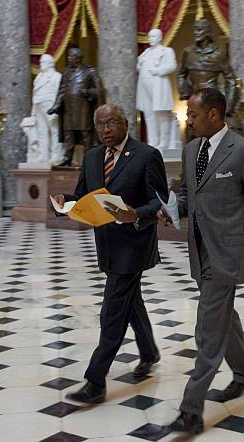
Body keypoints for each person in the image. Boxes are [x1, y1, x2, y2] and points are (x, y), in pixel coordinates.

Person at [159, 88, 244, 434]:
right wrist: (172, 209)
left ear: (215, 115)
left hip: (228, 253)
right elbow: (189, 196)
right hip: (200, 250)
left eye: (193, 114)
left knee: (207, 328)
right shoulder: (191, 151)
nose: (188, 120)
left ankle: (191, 410)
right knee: (224, 317)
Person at [52, 104, 168, 404]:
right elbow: (83, 195)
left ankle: (95, 381)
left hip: (134, 244)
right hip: (106, 244)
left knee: (112, 311)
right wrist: (66, 201)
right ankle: (149, 351)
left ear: (125, 124)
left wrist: (136, 214)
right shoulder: (92, 157)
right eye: (100, 124)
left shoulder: (146, 155)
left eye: (111, 123)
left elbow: (161, 201)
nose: (105, 129)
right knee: (131, 301)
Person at [48, 48, 106, 167]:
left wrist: (88, 92)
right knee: (69, 133)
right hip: (69, 109)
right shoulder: (66, 72)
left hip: (83, 109)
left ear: (78, 58)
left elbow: (100, 90)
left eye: (71, 57)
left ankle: (88, 158)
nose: (68, 59)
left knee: (85, 134)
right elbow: (62, 90)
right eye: (68, 57)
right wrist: (56, 106)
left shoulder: (90, 71)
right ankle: (67, 158)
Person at [177, 19, 237, 116]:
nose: (195, 33)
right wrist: (184, 92)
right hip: (194, 98)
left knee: (212, 128)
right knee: (194, 128)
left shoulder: (218, 54)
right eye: (194, 30)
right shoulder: (188, 52)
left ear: (208, 32)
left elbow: (231, 80)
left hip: (212, 99)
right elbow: (181, 74)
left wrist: (229, 106)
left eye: (199, 30)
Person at [137, 28, 177, 152]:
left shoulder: (167, 51)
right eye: (149, 37)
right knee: (149, 115)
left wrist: (158, 71)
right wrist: (139, 65)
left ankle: (163, 143)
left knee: (161, 114)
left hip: (159, 85)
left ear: (160, 38)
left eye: (153, 37)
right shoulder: (146, 52)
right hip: (144, 87)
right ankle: (153, 142)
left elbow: (172, 66)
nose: (151, 39)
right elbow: (138, 65)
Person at [31, 54, 63, 164]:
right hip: (38, 105)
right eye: (40, 62)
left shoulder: (56, 76)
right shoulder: (38, 77)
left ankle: (56, 154)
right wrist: (33, 111)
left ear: (50, 64)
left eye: (43, 62)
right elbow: (35, 93)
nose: (41, 64)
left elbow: (60, 94)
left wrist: (57, 109)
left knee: (54, 131)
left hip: (50, 105)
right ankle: (43, 154)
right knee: (42, 131)